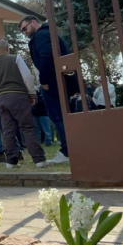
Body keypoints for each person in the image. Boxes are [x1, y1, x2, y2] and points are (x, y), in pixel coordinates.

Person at [21, 15, 78, 164]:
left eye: (25, 28)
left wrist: (44, 81)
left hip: (53, 81)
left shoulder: (41, 35)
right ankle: (72, 149)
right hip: (60, 80)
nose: (24, 32)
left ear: (33, 22)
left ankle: (67, 151)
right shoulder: (49, 33)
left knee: (58, 116)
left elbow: (46, 57)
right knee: (62, 116)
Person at [0, 40, 49, 169]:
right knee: (27, 127)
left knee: (8, 131)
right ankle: (39, 159)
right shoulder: (16, 58)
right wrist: (32, 94)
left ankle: (11, 161)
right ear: (8, 48)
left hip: (1, 98)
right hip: (18, 96)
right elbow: (27, 77)